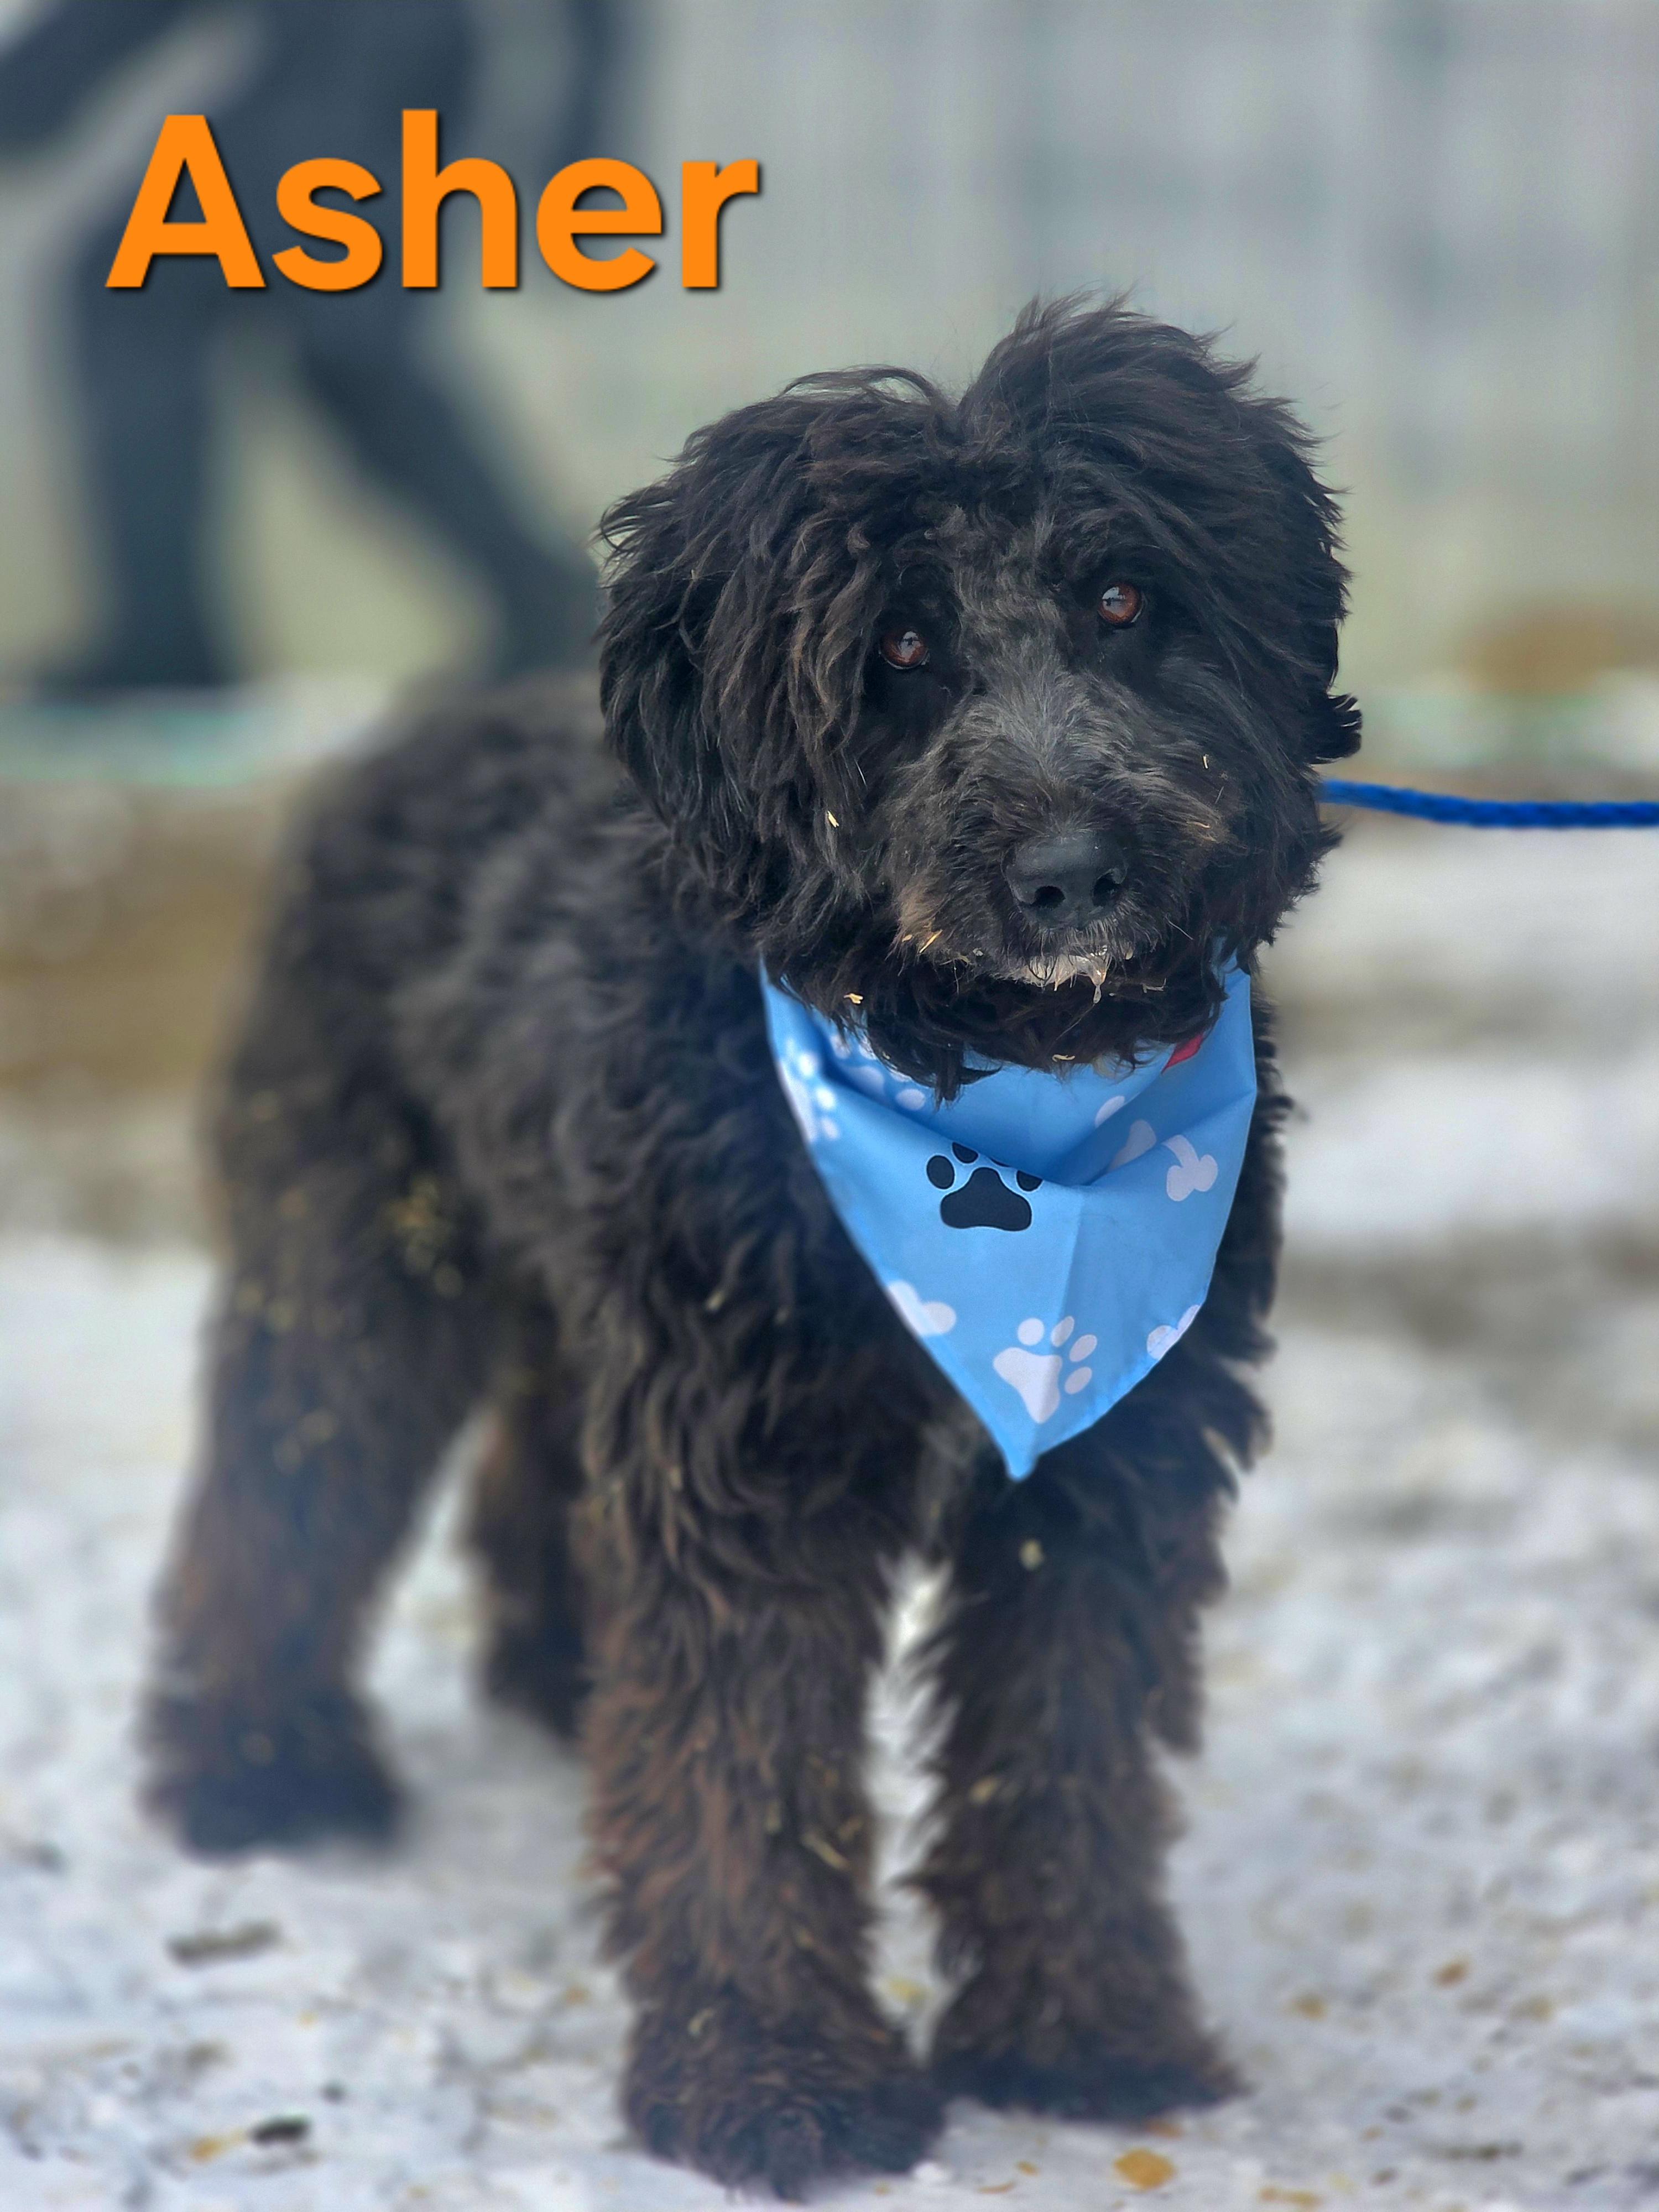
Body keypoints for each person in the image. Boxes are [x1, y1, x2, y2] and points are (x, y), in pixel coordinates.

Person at [0, 0, 621, 694]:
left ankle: (167, 643)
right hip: (355, 67)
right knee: (335, 348)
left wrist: (582, 144)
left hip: (376, 70)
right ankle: (548, 607)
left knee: (332, 343)